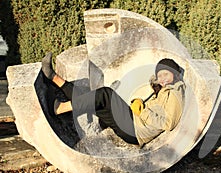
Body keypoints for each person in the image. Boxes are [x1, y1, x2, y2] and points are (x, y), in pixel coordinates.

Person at [41, 52, 185, 147]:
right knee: (92, 100)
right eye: (160, 76)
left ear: (173, 73)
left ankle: (61, 108)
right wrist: (140, 104)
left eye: (166, 74)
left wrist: (142, 111)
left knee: (106, 94)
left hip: (134, 130)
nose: (162, 79)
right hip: (133, 123)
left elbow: (168, 123)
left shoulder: (175, 93)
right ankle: (54, 77)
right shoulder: (164, 90)